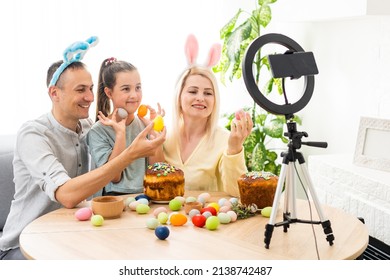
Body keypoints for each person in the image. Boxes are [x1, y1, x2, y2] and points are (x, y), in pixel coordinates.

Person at [0, 39, 165, 260]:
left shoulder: (91, 128)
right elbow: (67, 195)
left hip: (71, 235)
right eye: (80, 90)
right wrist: (130, 154)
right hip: (24, 245)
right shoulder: (34, 135)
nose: (89, 97)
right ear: (54, 93)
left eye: (90, 89)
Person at [163, 35, 253, 197]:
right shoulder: (165, 137)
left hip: (207, 219)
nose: (200, 98)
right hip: (168, 220)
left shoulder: (224, 140)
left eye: (208, 93)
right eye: (192, 91)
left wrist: (234, 148)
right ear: (179, 96)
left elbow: (238, 192)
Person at [87, 57, 165, 196]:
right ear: (109, 93)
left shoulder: (143, 125)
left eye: (138, 88)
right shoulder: (98, 131)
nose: (134, 95)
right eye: (126, 89)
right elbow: (114, 177)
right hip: (114, 199)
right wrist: (120, 135)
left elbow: (157, 172)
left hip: (145, 196)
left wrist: (154, 132)